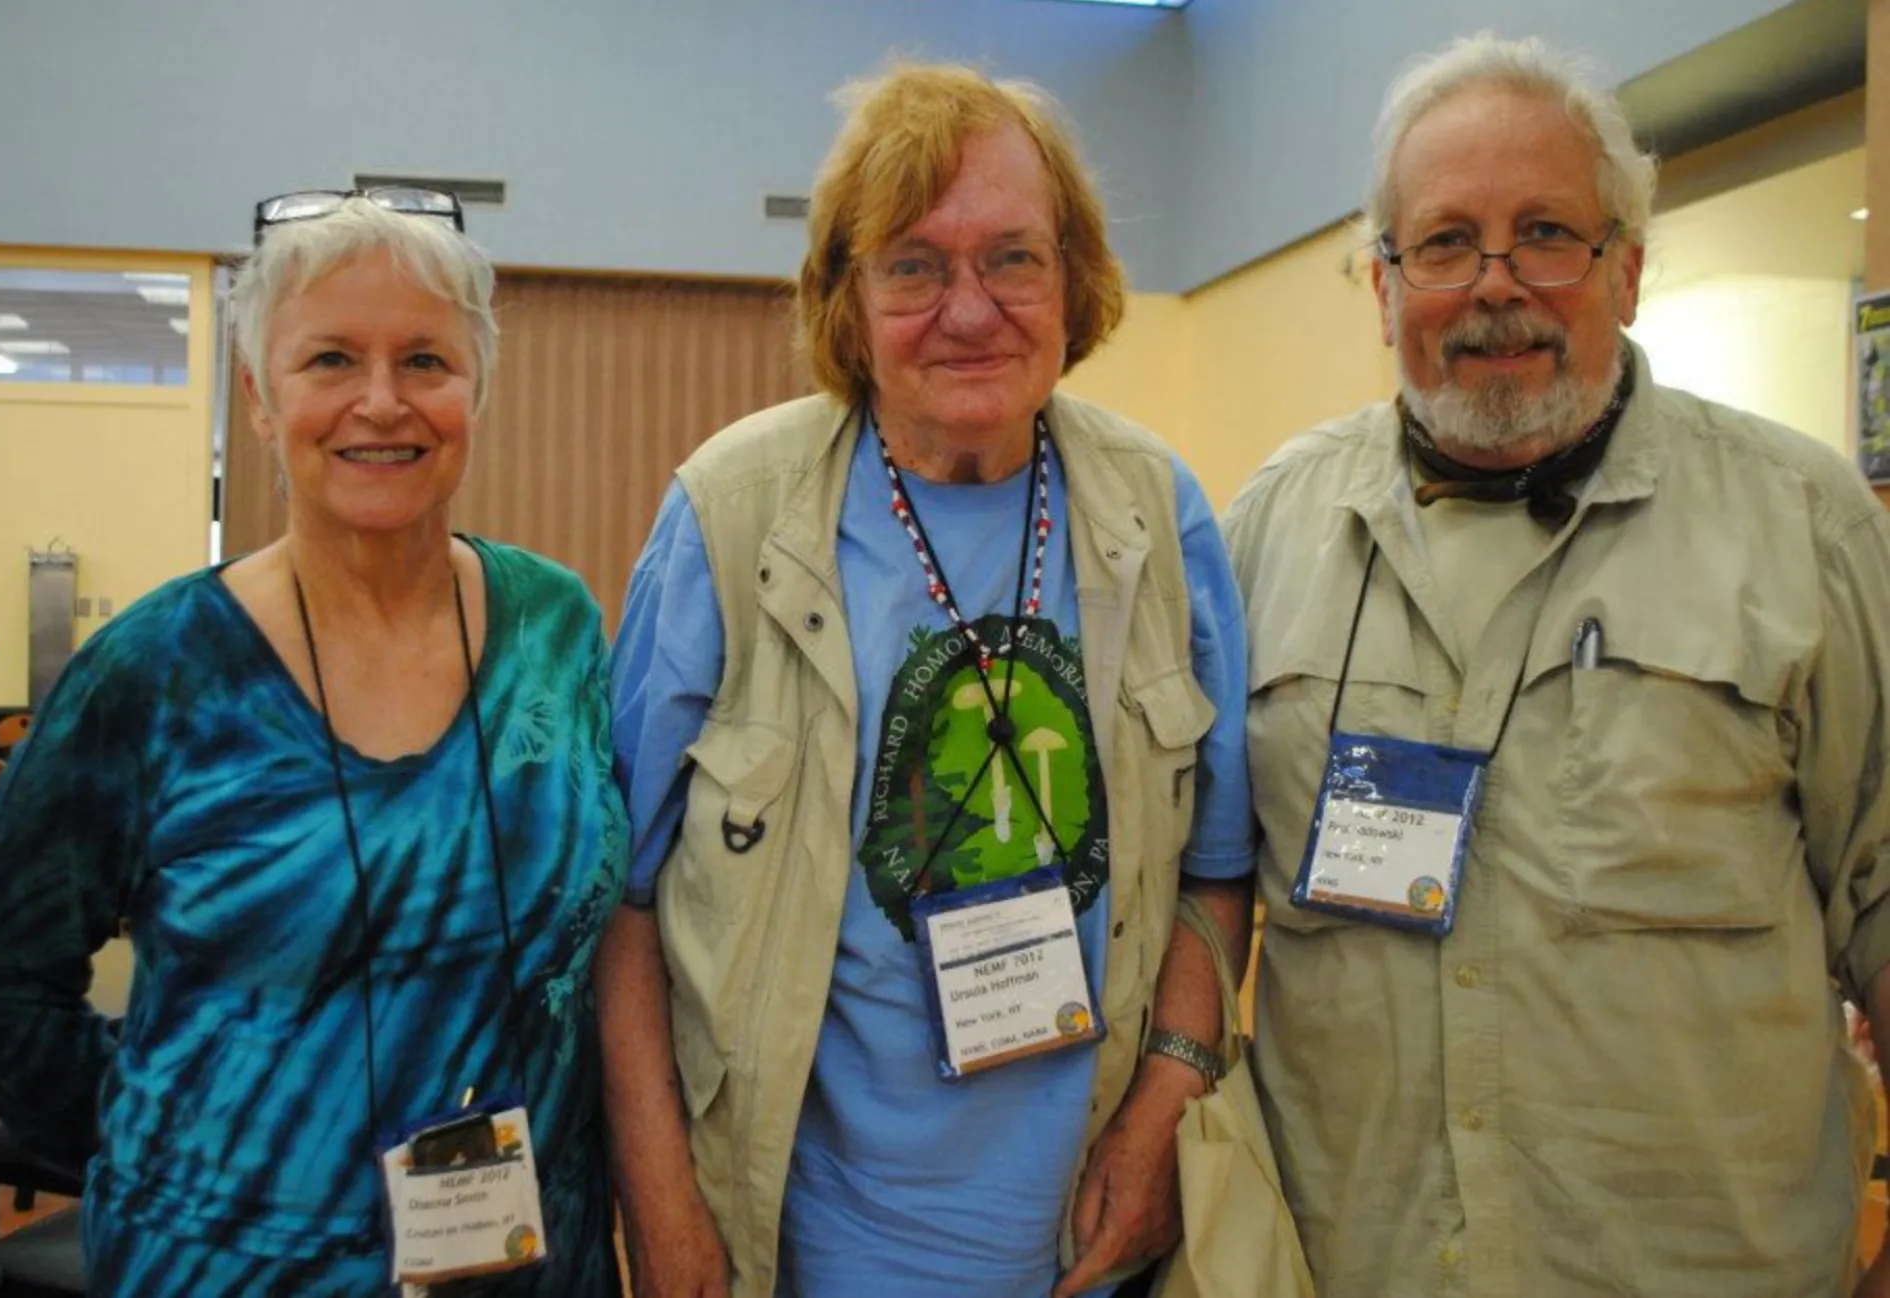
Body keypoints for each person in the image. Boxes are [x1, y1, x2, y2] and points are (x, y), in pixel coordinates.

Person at [1221, 32, 1890, 1298]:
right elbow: (1198, 889)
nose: (1495, 284)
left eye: (1545, 234)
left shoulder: (1806, 529)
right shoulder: (1269, 532)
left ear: (1626, 268)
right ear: (1381, 284)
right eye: (1444, 242)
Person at [598, 62, 1255, 1298]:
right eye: (913, 264)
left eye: (1013, 258)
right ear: (847, 300)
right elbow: (622, 907)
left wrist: (1173, 1088)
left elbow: (1219, 867)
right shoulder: (730, 517)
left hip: (1088, 1250)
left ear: (1076, 282)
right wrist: (665, 1211)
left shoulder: (1157, 514)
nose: (970, 309)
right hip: (802, 1252)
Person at [0, 190, 629, 1296]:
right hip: (237, 1265)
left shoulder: (555, 623)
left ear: (477, 389)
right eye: (332, 360)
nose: (382, 402)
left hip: (525, 1257)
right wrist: (175, 1133)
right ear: (259, 399)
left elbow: (604, 931)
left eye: (427, 361)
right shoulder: (157, 671)